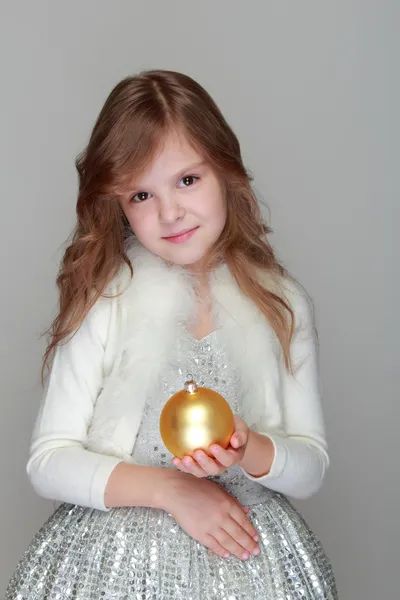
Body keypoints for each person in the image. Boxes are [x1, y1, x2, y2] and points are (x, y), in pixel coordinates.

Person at [5, 69, 338, 599]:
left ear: (226, 171)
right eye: (140, 194)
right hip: (113, 570)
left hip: (249, 565)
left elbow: (310, 469)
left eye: (187, 180)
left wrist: (250, 450)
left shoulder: (281, 303)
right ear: (117, 205)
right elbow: (49, 462)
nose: (169, 212)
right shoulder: (107, 299)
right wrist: (172, 489)